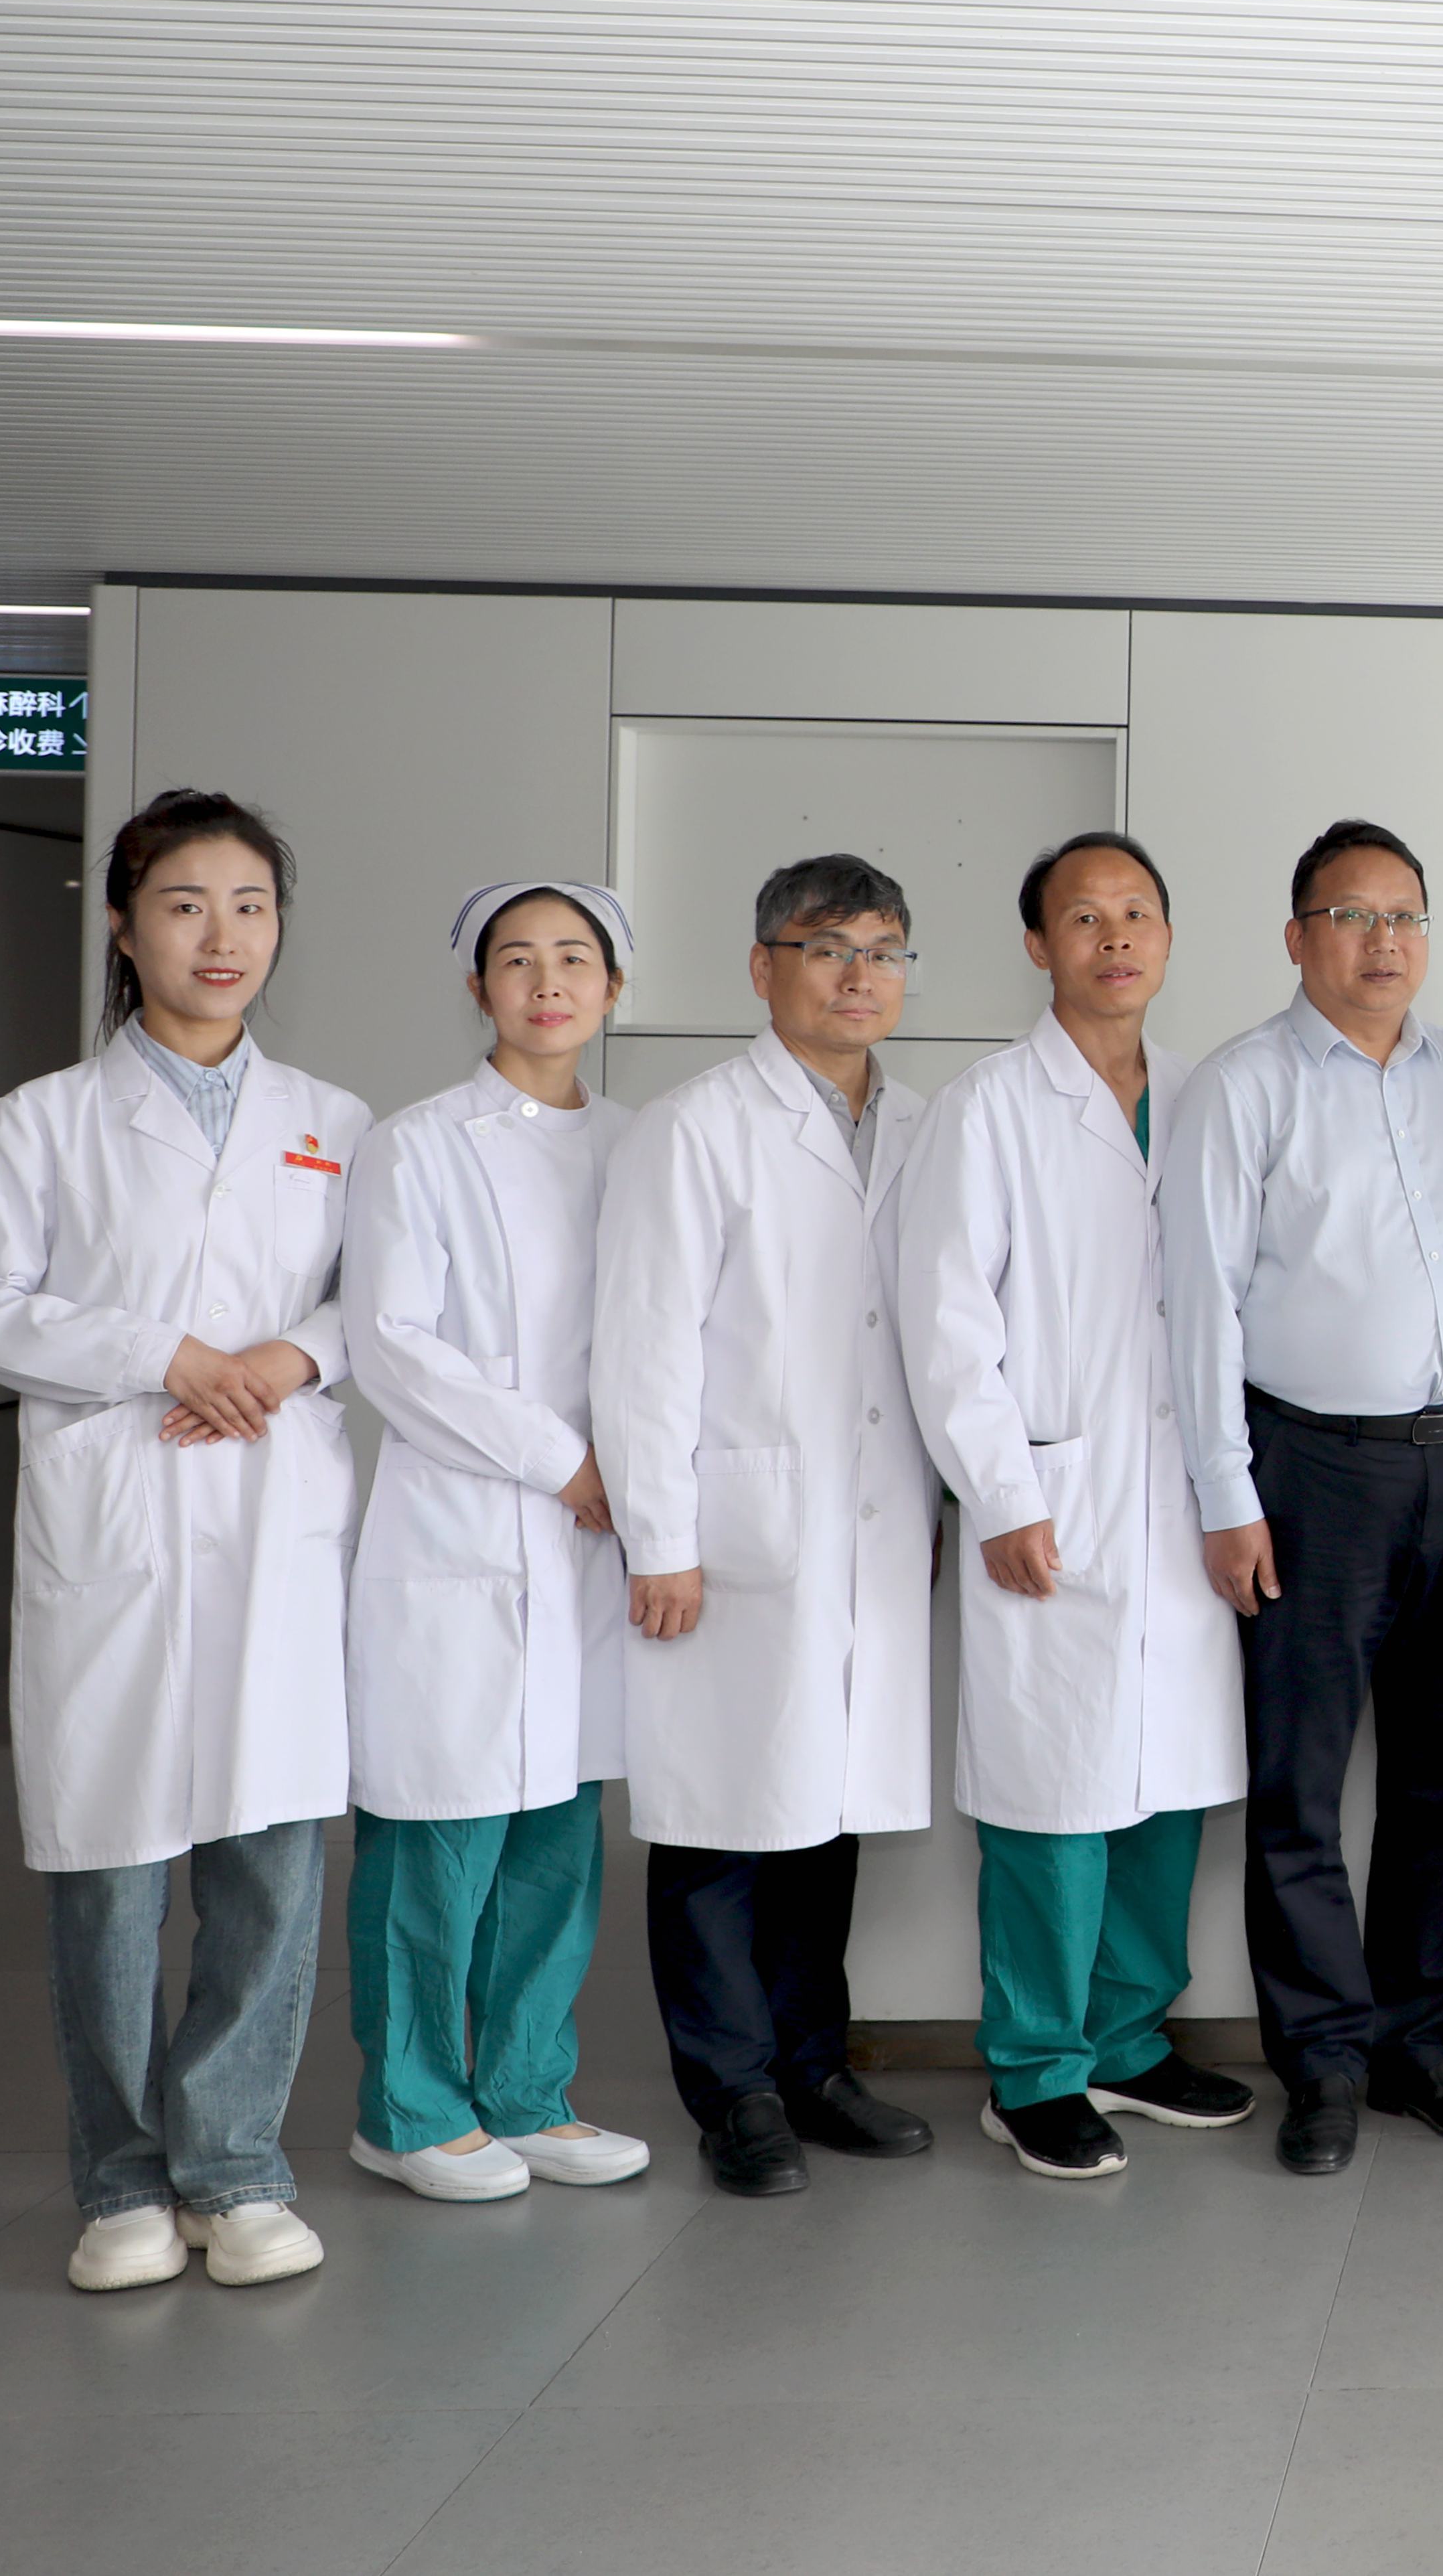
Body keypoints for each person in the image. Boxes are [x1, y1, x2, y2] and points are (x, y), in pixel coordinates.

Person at [0, 788, 366, 2291]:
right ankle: (119, 2179)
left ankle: (234, 2169)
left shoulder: (335, 1123)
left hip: (271, 1509)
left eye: (249, 904)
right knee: (110, 1865)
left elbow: (384, 1298)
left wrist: (288, 1358)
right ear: (122, 926)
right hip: (120, 1513)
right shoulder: (43, 1120)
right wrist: (161, 1353)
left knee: (269, 1855)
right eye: (184, 903)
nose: (220, 935)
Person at [1164, 820, 1443, 2179]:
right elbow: (1197, 1301)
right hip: (1310, 1470)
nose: (1384, 942)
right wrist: (1226, 1490)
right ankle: (1319, 2057)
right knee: (1300, 1783)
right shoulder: (1243, 1085)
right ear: (1297, 936)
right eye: (1353, 915)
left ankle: (1418, 2043)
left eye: (1405, 916)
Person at [901, 832, 1256, 2184]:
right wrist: (1000, 1490)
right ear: (1037, 944)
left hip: (1186, 1499)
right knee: (1051, 1791)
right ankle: (1035, 2067)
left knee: (1168, 1788)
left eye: (1137, 914)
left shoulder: (1206, 1096)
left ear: (1167, 937)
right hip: (1052, 1491)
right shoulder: (989, 1107)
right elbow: (946, 1324)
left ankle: (1127, 2039)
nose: (1115, 939)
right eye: (1085, 917)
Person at [593, 853, 943, 2197]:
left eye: (883, 950)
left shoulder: (920, 1125)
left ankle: (812, 2062)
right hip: (730, 1528)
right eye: (827, 947)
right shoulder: (693, 1128)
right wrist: (661, 1536)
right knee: (717, 1818)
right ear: (763, 967)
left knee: (823, 1806)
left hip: (868, 1519)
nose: (860, 974)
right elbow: (644, 1348)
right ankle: (731, 2087)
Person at [337, 881, 655, 2204]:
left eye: (575, 958)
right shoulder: (416, 1145)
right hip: (468, 1526)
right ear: (477, 988)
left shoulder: (642, 1145)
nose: (547, 982)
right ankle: (408, 2107)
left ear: (613, 988)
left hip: (594, 1541)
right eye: (515, 960)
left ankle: (528, 2092)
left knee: (557, 1833)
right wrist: (567, 1462)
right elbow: (392, 1347)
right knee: (438, 1828)